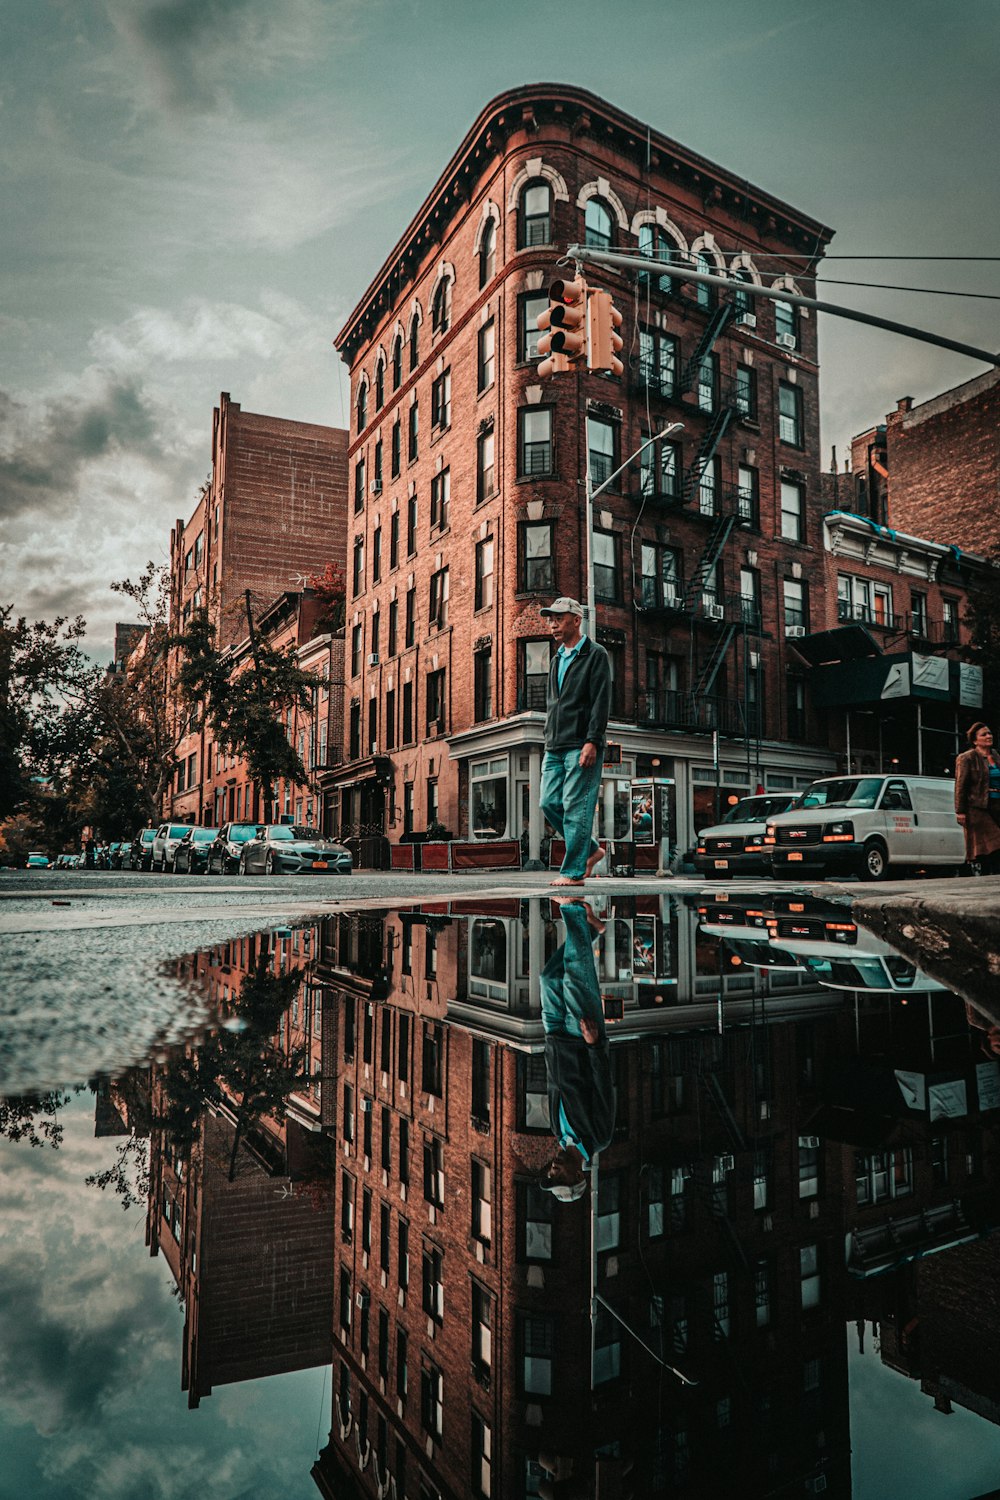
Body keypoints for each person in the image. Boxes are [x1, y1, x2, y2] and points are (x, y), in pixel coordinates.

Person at [536, 898, 616, 1203]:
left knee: (549, 978)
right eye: (561, 1177)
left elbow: (555, 1082)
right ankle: (571, 908)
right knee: (575, 973)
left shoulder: (559, 1132)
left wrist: (549, 1044)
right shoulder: (598, 1137)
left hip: (554, 1036)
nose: (553, 1170)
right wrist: (594, 1045)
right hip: (581, 1039)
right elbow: (602, 1086)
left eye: (551, 1177)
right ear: (579, 1175)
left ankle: (592, 930)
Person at [539, 597, 612, 888]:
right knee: (549, 802)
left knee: (575, 805)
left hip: (581, 743)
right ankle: (592, 849)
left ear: (576, 620)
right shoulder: (557, 657)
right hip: (554, 744)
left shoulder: (596, 654)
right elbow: (554, 703)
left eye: (559, 617)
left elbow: (600, 701)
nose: (552, 623)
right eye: (550, 618)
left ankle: (572, 871)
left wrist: (592, 740)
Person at [954, 721, 1000, 874]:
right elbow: (960, 785)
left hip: (996, 805)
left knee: (990, 848)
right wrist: (960, 811)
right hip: (978, 808)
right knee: (991, 844)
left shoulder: (995, 755)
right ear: (975, 740)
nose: (989, 736)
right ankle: (987, 875)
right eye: (984, 734)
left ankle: (990, 875)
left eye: (990, 733)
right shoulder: (966, 758)